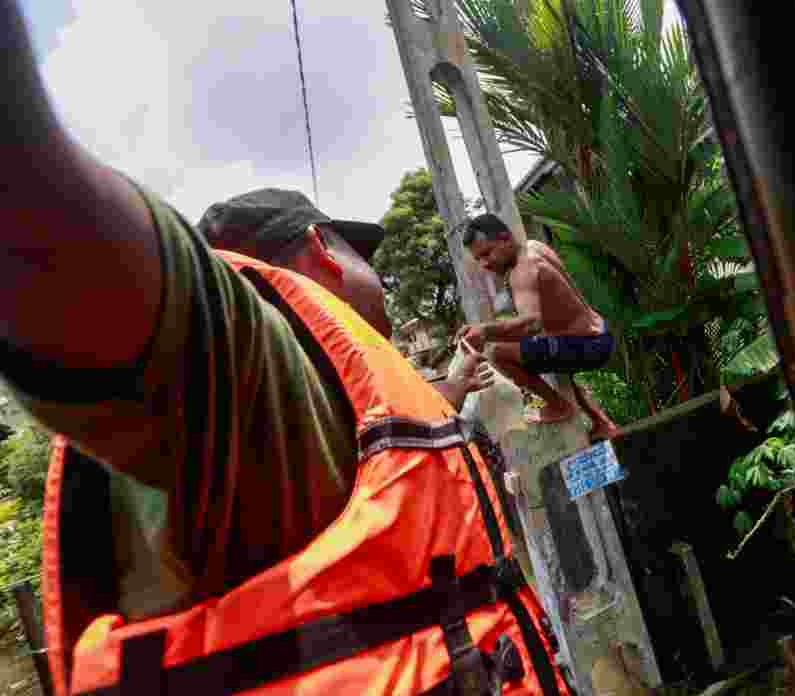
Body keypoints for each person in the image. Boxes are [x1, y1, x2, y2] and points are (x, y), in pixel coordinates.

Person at [0, 4, 566, 695]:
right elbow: (49, 243)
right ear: (325, 254)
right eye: (364, 253)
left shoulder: (318, 418)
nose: (377, 276)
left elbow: (381, 483)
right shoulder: (247, 384)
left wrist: (448, 385)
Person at [458, 214, 619, 442]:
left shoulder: (521, 272)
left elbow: (532, 323)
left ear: (505, 239)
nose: (484, 264)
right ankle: (602, 422)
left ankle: (557, 406)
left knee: (497, 353)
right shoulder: (534, 247)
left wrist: (485, 331)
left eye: (487, 253)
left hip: (590, 344)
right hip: (597, 333)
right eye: (479, 259)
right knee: (548, 351)